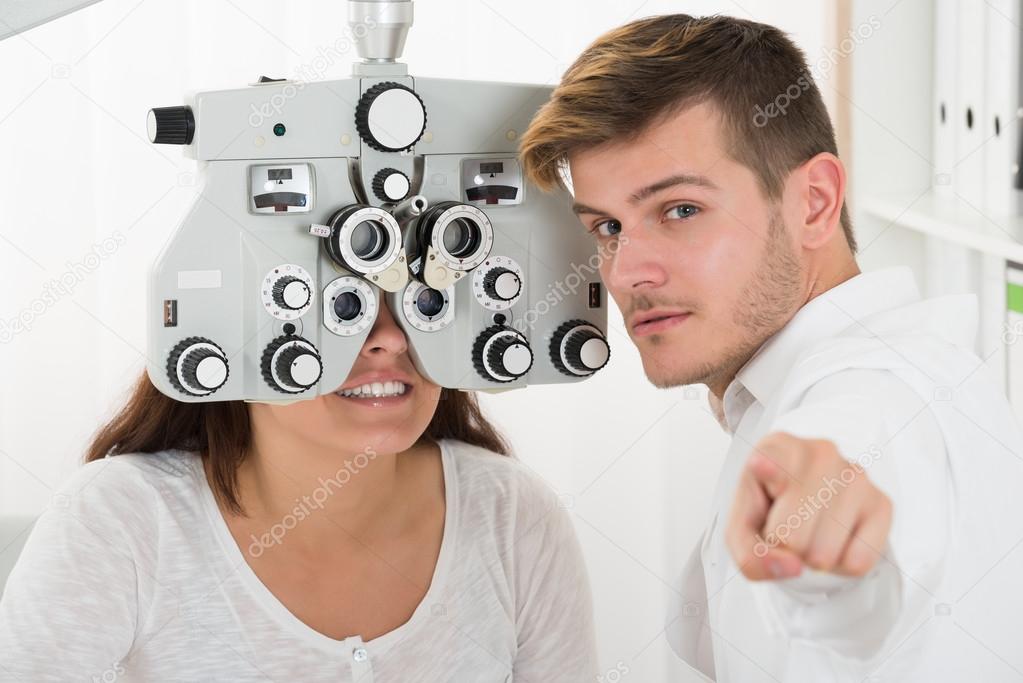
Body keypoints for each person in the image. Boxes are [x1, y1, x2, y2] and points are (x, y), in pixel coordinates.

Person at [520, 12, 1023, 683]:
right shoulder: (920, 364)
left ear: (813, 202)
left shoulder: (860, 408)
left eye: (679, 210)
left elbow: (846, 509)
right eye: (608, 226)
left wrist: (828, 547)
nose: (625, 270)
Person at [0, 298, 598, 681]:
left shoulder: (512, 512)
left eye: (422, 301)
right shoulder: (121, 517)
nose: (389, 338)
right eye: (342, 304)